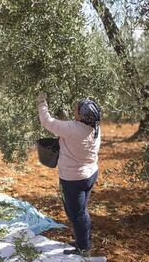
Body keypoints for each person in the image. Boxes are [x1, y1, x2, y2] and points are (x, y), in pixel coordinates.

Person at [37, 93, 101, 257]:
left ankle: (83, 248)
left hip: (73, 180)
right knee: (82, 211)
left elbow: (46, 121)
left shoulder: (72, 129)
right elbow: (68, 126)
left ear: (82, 115)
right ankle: (84, 241)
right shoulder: (95, 127)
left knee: (76, 214)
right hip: (90, 174)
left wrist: (41, 101)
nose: (75, 110)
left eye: (77, 109)